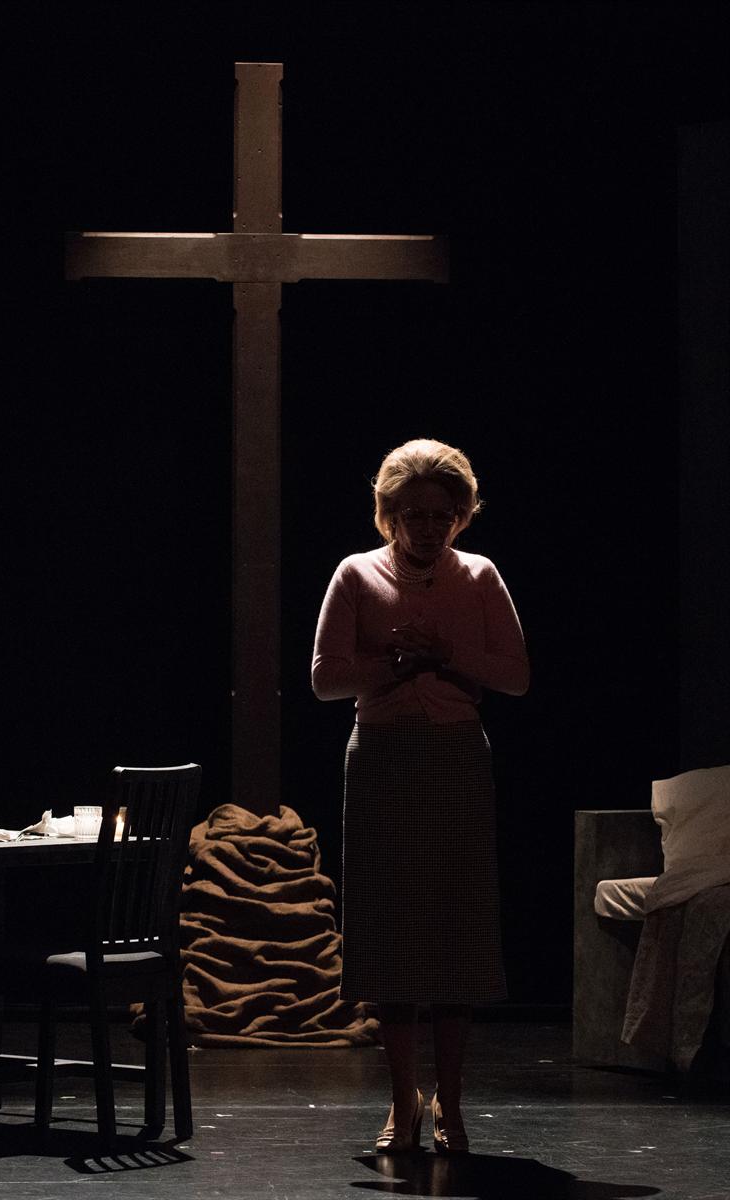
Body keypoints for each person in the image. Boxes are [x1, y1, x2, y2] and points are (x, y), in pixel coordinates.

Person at [312, 437, 529, 1154]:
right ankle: (403, 1100)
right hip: (382, 760)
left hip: (456, 758)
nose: (429, 527)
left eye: (443, 514)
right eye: (415, 514)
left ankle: (451, 1105)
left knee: (456, 931)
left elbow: (516, 675)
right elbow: (324, 678)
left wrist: (447, 656)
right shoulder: (355, 573)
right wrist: (392, 664)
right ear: (390, 514)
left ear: (461, 515)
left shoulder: (480, 574)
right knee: (392, 934)